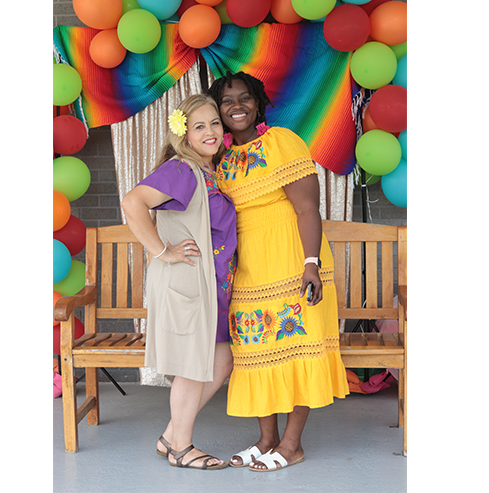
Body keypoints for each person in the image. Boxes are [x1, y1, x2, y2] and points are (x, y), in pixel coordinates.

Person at [206, 71, 350, 472]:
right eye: (227, 100)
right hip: (250, 266)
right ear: (218, 111)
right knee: (256, 349)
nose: (236, 106)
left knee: (296, 346)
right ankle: (266, 439)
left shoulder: (281, 142)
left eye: (244, 98)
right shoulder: (223, 157)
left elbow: (307, 208)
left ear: (258, 103)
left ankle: (292, 444)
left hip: (292, 259)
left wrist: (311, 265)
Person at [120, 94, 237, 470]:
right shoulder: (183, 170)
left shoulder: (208, 171)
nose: (211, 131)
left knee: (220, 361)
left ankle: (171, 435)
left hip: (213, 285)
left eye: (215, 123)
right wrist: (162, 250)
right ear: (184, 134)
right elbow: (132, 202)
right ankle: (182, 448)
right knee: (190, 365)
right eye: (199, 126)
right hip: (188, 283)